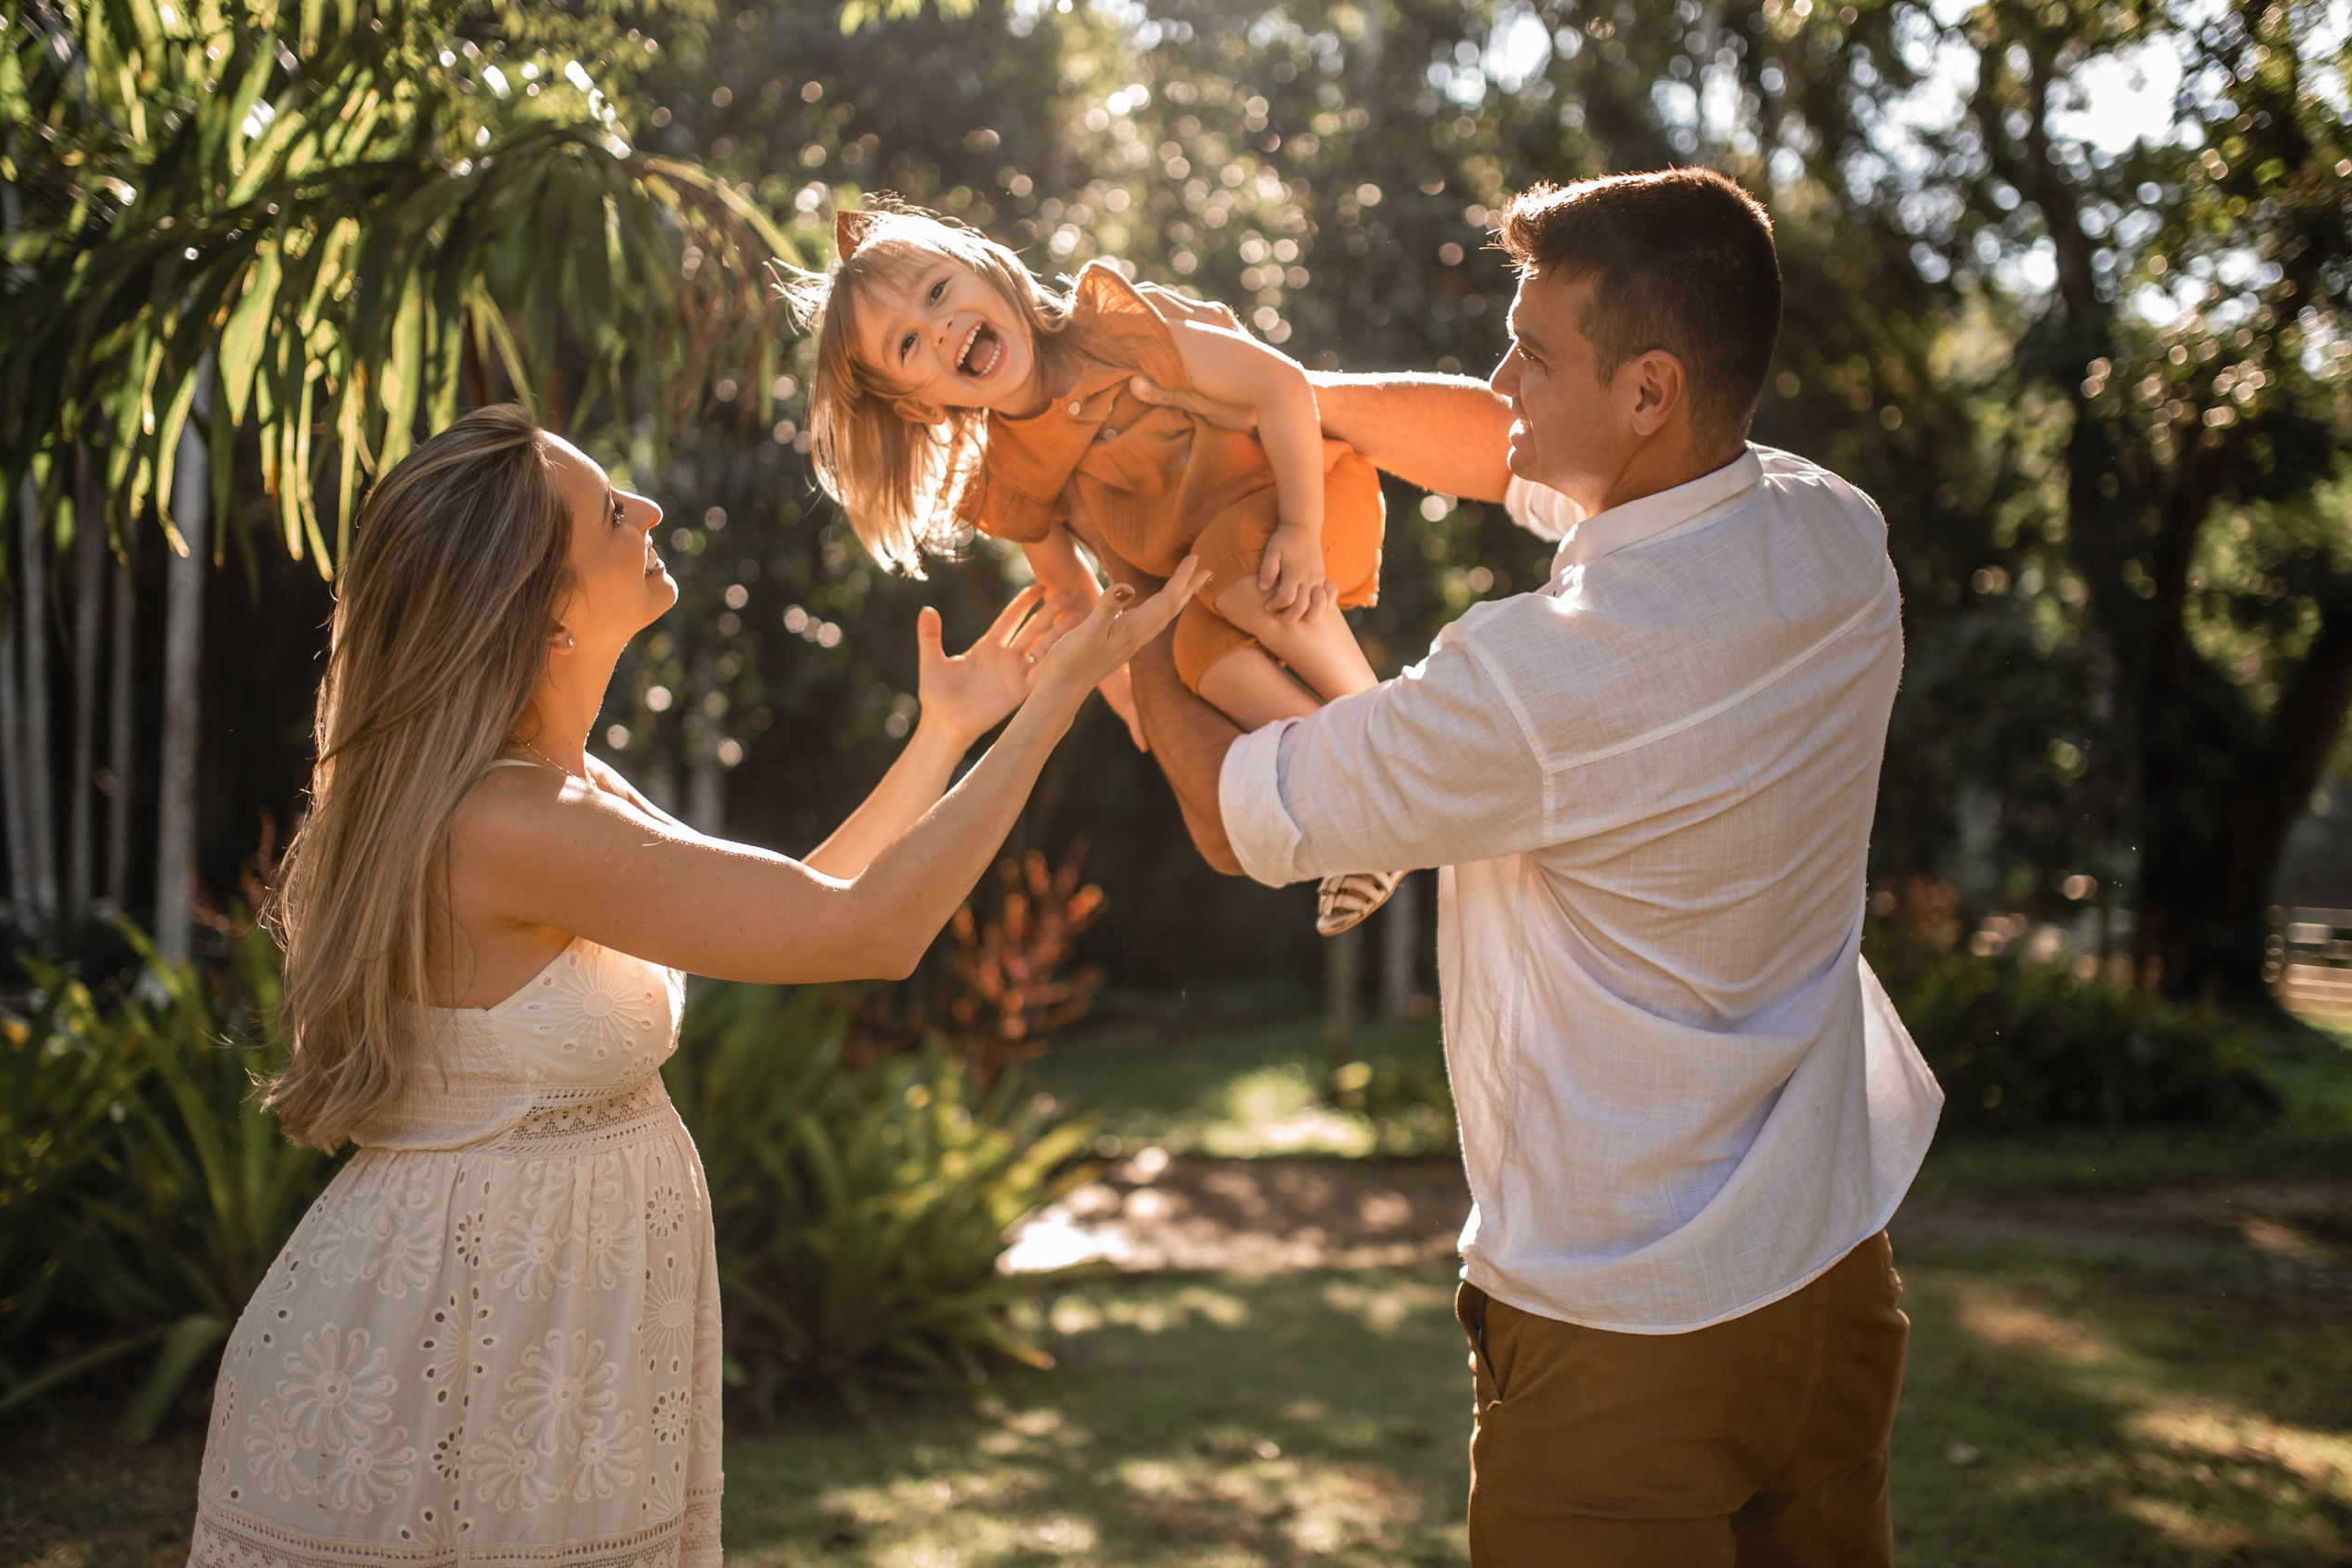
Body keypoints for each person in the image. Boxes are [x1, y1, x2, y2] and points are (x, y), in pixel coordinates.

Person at [187, 403, 1203, 1568]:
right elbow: (870, 932)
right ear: (544, 606)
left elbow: (802, 897)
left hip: (548, 1323)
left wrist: (949, 732)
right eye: (613, 511)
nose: (652, 511)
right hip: (467, 1337)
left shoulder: (564, 789)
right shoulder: (513, 821)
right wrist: (1061, 699)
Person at [1117, 168, 1944, 1566]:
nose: (1501, 375)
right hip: (1833, 1281)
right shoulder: (1830, 534)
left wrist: (1130, 593)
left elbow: (1232, 809)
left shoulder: (1535, 684)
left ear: (1649, 392)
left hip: (1624, 1338)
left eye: (1534, 351)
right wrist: (1279, 396)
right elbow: (1491, 447)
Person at [786, 202, 1401, 936]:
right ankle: (1369, 799)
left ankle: (1391, 736)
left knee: (1234, 575)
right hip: (1222, 580)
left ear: (988, 266)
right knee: (1203, 659)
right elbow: (1078, 595)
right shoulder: (1012, 477)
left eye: (938, 291)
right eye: (909, 343)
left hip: (1307, 502)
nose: (941, 327)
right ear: (918, 407)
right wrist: (1123, 692)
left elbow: (1279, 385)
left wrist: (1300, 526)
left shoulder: (1115, 332)